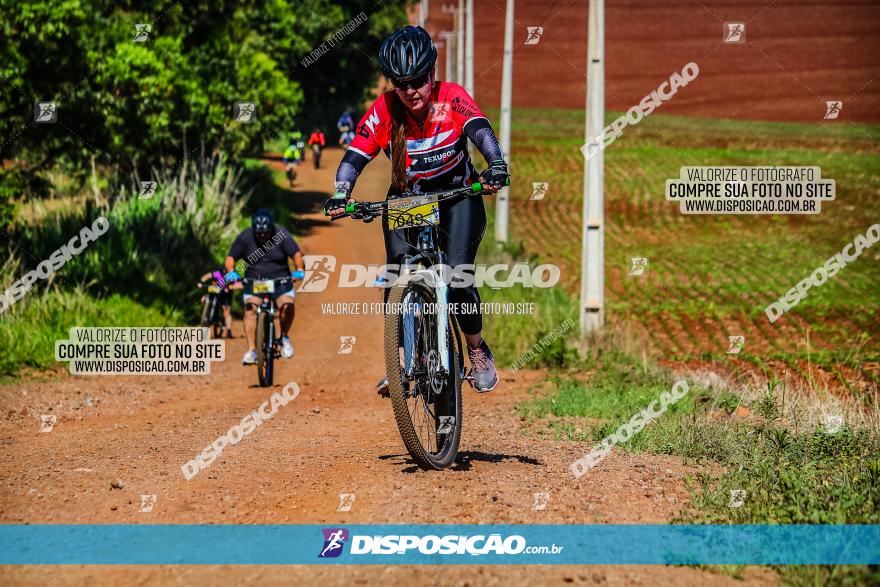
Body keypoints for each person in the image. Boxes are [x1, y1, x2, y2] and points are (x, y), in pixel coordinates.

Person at [324, 26, 509, 394]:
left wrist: (497, 165)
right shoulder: (386, 109)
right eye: (401, 82)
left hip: (458, 195)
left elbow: (481, 131)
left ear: (433, 73)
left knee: (457, 276)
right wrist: (341, 192)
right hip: (409, 200)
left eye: (418, 80)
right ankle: (408, 364)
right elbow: (354, 156)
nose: (411, 91)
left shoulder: (451, 98)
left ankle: (477, 350)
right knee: (396, 277)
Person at [226, 209, 305, 365]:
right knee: (250, 310)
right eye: (259, 233)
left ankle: (284, 337)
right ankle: (251, 351)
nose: (262, 235)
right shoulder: (245, 237)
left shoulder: (281, 234)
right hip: (255, 281)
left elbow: (296, 254)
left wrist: (299, 269)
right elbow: (230, 258)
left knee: (287, 305)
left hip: (280, 280)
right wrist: (231, 275)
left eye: (266, 233)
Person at [196, 267, 241, 338]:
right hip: (215, 290)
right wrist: (200, 281)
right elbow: (207, 276)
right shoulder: (218, 273)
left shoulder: (233, 274)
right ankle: (204, 315)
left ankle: (228, 331)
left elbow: (238, 284)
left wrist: (231, 287)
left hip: (227, 294)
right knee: (204, 298)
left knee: (227, 311)